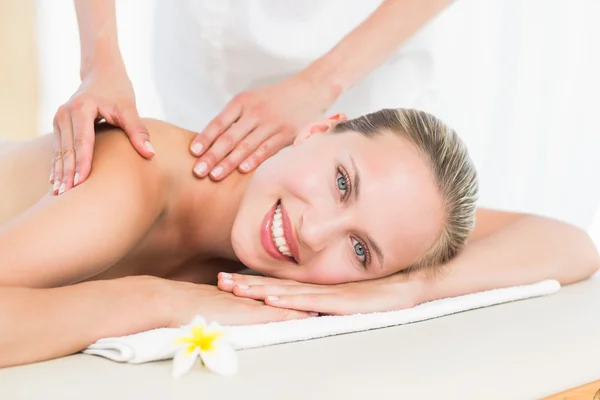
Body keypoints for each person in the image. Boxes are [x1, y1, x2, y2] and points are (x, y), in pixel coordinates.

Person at [1, 108, 598, 369]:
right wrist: (158, 301)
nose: (314, 232)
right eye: (342, 182)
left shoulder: (392, 233)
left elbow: (569, 243)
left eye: (361, 251)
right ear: (319, 127)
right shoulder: (138, 175)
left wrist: (410, 288)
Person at [51, 0, 452, 194]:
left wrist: (323, 82)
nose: (312, 234)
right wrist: (99, 62)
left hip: (368, 50)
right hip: (205, 47)